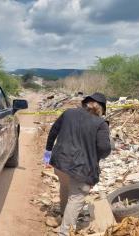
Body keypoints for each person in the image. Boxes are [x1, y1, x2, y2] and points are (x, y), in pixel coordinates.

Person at [43, 92, 112, 236]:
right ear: (101, 109)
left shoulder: (68, 113)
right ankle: (65, 232)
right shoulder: (101, 124)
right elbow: (104, 149)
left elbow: (53, 131)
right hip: (80, 169)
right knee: (76, 197)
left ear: (85, 103)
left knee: (65, 186)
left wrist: (47, 153)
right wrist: (96, 157)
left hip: (59, 163)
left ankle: (63, 214)